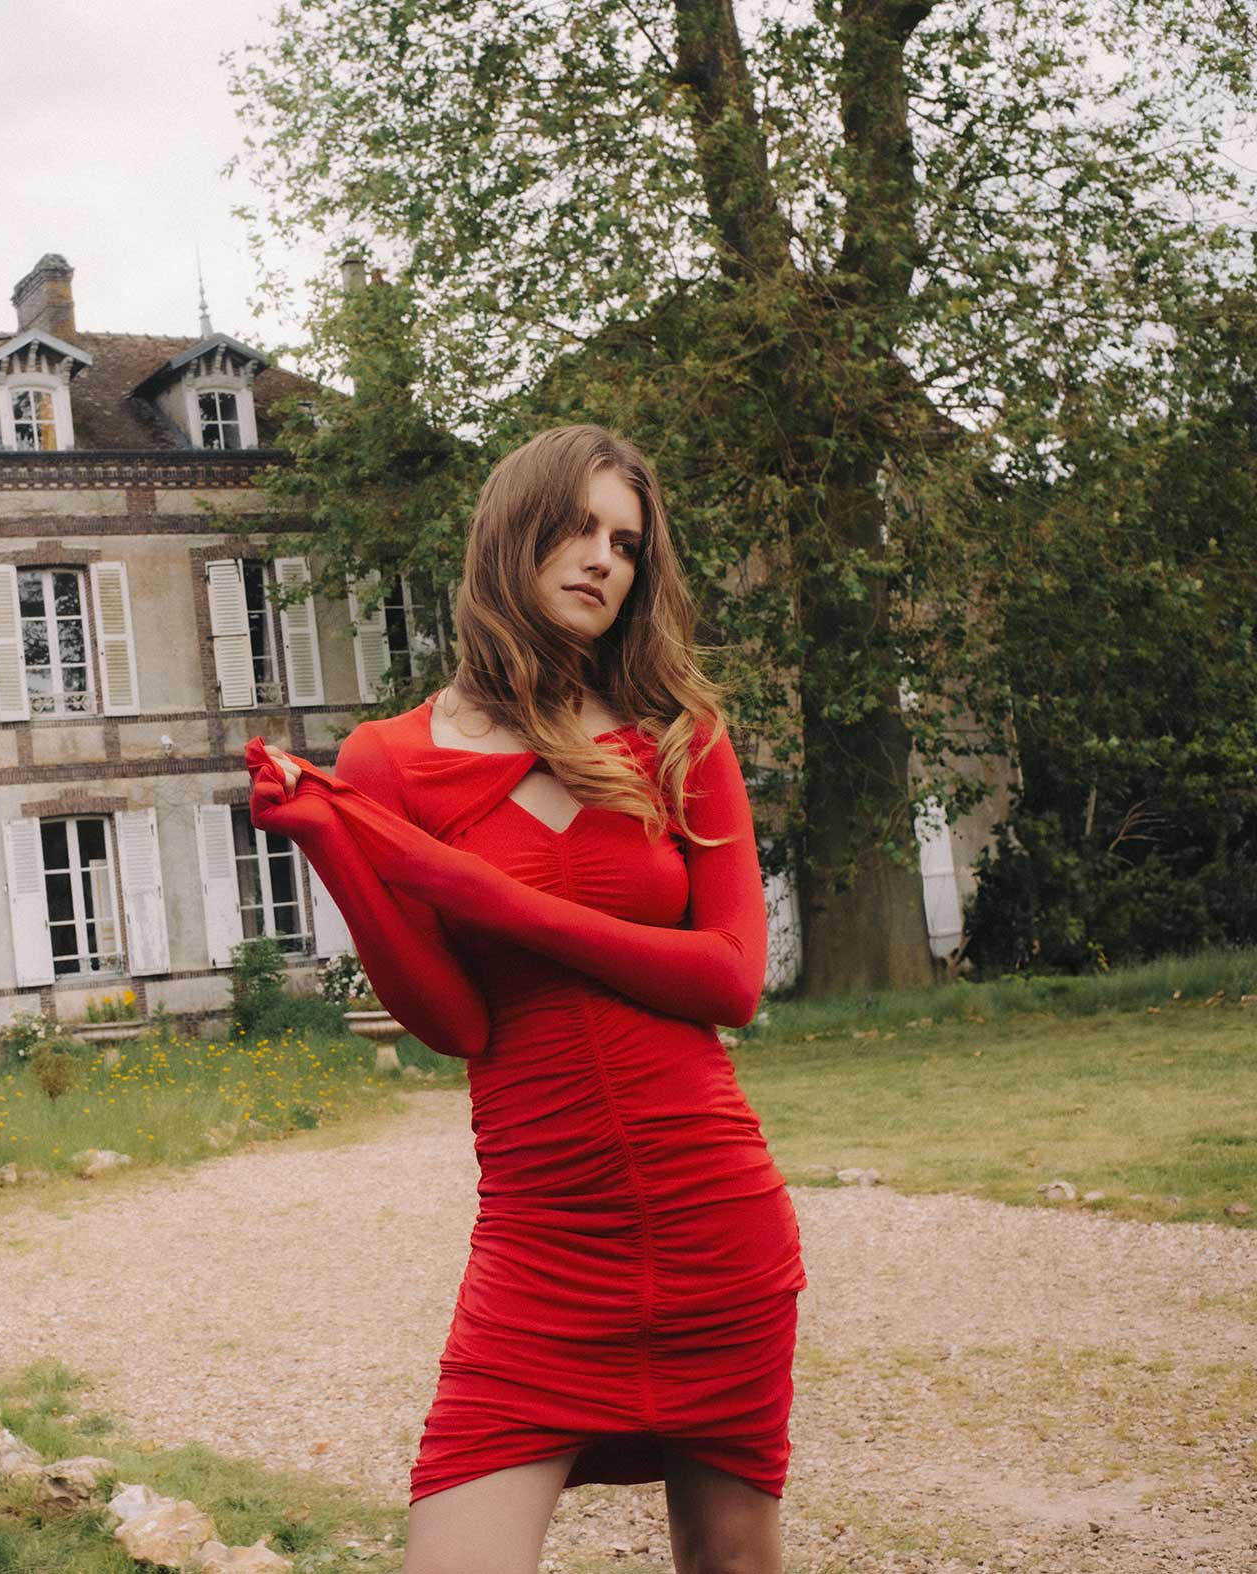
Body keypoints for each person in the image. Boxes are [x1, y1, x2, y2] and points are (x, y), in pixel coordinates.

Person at [245, 424, 805, 1573]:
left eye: (626, 542)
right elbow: (457, 1022)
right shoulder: (389, 760)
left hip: (715, 1222)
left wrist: (479, 891)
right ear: (512, 532)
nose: (603, 558)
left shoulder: (679, 737)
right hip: (544, 1238)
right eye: (579, 527)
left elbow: (731, 978)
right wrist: (337, 847)